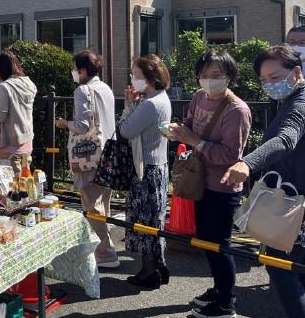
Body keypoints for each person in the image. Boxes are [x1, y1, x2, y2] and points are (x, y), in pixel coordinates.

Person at [222, 45, 305, 318]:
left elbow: (286, 139)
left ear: (297, 71)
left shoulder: (300, 104)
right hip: (293, 199)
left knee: (282, 268)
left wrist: (247, 163)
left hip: (296, 204)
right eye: (263, 80)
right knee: (293, 270)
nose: (269, 85)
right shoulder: (286, 100)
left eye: (275, 77)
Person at [168, 50, 251, 317]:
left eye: (216, 75)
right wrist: (177, 130)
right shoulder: (199, 97)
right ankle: (219, 289)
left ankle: (227, 303)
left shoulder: (237, 110)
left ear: (229, 77)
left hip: (223, 187)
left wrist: (195, 142)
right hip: (199, 182)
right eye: (203, 75)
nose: (208, 81)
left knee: (220, 245)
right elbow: (191, 125)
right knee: (205, 241)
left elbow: (231, 155)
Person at [56, 50, 119, 269]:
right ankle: (107, 247)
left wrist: (65, 123)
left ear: (82, 70)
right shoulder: (106, 88)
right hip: (109, 151)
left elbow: (82, 126)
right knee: (105, 204)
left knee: (92, 205)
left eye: (75, 67)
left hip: (90, 154)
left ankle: (105, 253)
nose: (73, 72)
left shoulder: (83, 90)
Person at [119, 54, 172, 289]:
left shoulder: (150, 103)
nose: (133, 79)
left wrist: (127, 106)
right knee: (154, 221)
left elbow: (127, 130)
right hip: (157, 167)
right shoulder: (161, 98)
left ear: (151, 77)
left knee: (143, 223)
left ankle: (149, 273)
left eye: (137, 75)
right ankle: (158, 265)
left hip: (146, 169)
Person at [0, 52, 37, 175]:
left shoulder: (5, 87)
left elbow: (0, 116)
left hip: (9, 141)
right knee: (25, 181)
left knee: (11, 185)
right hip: (27, 140)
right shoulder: (29, 84)